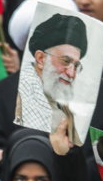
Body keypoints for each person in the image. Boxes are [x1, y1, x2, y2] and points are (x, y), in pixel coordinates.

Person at [16, 12, 88, 145]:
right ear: (41, 59)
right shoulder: (7, 94)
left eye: (76, 66)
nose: (71, 73)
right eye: (65, 61)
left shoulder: (65, 108)